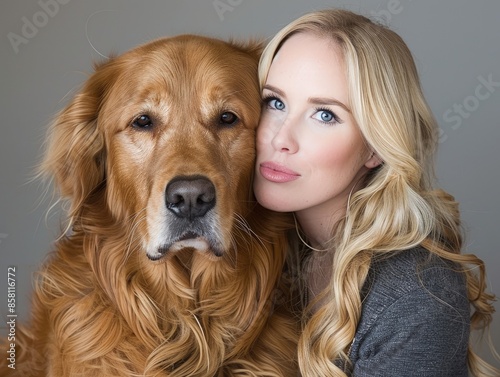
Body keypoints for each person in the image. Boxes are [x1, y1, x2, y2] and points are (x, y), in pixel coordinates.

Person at [253, 8, 499, 377]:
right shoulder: (253, 243)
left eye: (324, 115)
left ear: (375, 148)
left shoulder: (417, 295)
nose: (281, 139)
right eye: (275, 102)